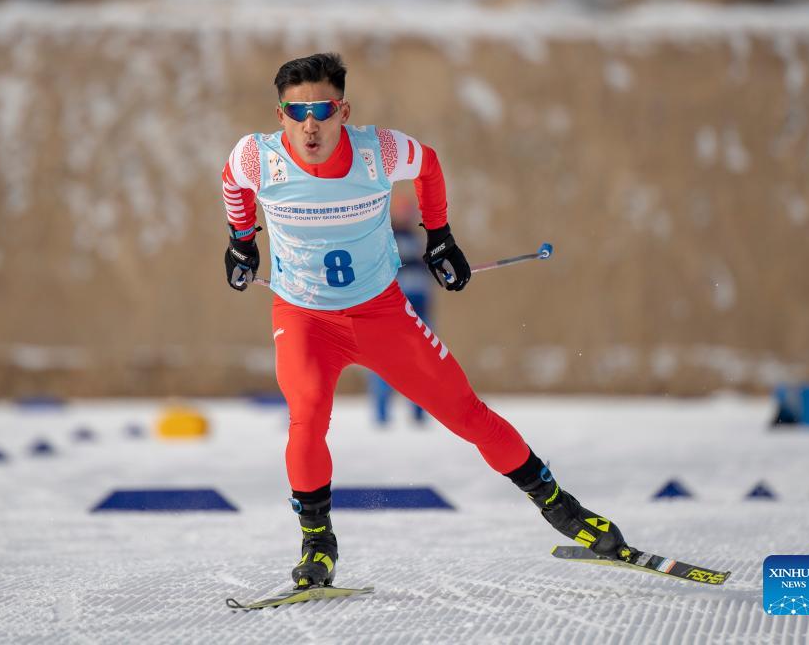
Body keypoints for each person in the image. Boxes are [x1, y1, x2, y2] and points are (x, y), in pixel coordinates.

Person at [221, 53, 627, 589]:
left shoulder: (378, 152)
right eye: (297, 113)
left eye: (323, 110)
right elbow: (232, 184)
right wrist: (241, 242)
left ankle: (565, 511)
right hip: (304, 318)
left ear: (344, 111)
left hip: (381, 314)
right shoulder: (256, 157)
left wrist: (441, 236)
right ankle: (318, 545)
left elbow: (429, 164)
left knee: (467, 414)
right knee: (308, 416)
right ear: (281, 116)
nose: (310, 125)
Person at [366, 192, 432, 425]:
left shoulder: (416, 237)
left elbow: (423, 270)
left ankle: (419, 412)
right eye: (403, 212)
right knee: (384, 361)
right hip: (393, 308)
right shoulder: (386, 236)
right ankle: (381, 412)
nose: (407, 216)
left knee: (421, 361)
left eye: (409, 212)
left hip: (420, 307)